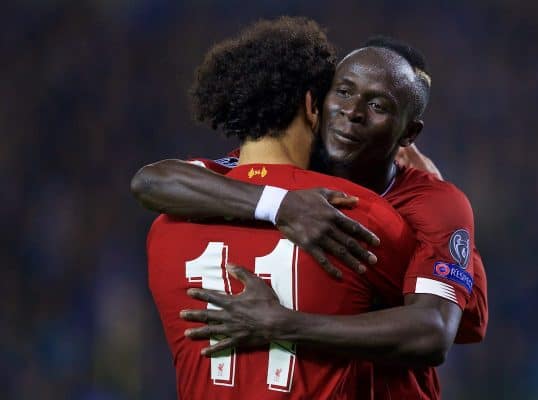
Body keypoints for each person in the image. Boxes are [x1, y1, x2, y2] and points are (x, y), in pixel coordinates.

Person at [146, 17, 423, 399]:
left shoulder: (165, 227)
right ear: (312, 105)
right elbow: (443, 322)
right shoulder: (355, 213)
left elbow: (150, 179)